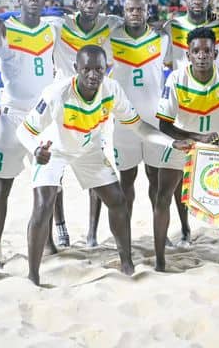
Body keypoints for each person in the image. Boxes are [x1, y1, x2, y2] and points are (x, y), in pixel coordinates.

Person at [15, 45, 176, 286]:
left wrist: (172, 142)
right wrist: (36, 150)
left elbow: (140, 127)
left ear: (106, 69)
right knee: (43, 205)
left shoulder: (112, 90)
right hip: (53, 148)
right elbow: (24, 130)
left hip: (88, 149)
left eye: (99, 69)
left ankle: (127, 264)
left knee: (118, 201)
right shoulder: (57, 93)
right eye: (87, 69)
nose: (93, 75)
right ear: (76, 69)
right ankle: (33, 276)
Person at [155, 27, 219, 272]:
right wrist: (196, 137)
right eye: (196, 51)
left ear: (215, 53)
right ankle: (160, 260)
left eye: (207, 51)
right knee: (162, 196)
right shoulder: (176, 79)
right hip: (185, 140)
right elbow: (164, 125)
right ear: (188, 55)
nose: (201, 55)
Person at [0, 0, 60, 265]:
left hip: (44, 119)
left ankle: (47, 242)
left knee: (48, 186)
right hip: (11, 118)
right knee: (2, 187)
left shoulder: (53, 27)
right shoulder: (2, 29)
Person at [89, 0, 172, 242]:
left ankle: (161, 234)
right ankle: (125, 235)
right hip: (125, 123)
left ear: (148, 11)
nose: (135, 13)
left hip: (155, 121)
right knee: (127, 182)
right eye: (130, 9)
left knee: (156, 181)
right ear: (123, 11)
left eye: (140, 9)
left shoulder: (162, 38)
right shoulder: (112, 40)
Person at [163, 0, 219, 243]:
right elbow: (169, 63)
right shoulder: (172, 26)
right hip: (185, 101)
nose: (197, 0)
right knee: (181, 172)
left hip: (214, 98)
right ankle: (184, 227)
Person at [51, 0, 123, 248]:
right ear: (77, 2)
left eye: (95, 0)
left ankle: (92, 234)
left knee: (96, 168)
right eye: (85, 0)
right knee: (55, 170)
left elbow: (138, 21)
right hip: (64, 106)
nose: (90, 4)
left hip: (96, 107)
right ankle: (60, 225)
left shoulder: (112, 24)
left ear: (100, 3)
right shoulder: (60, 25)